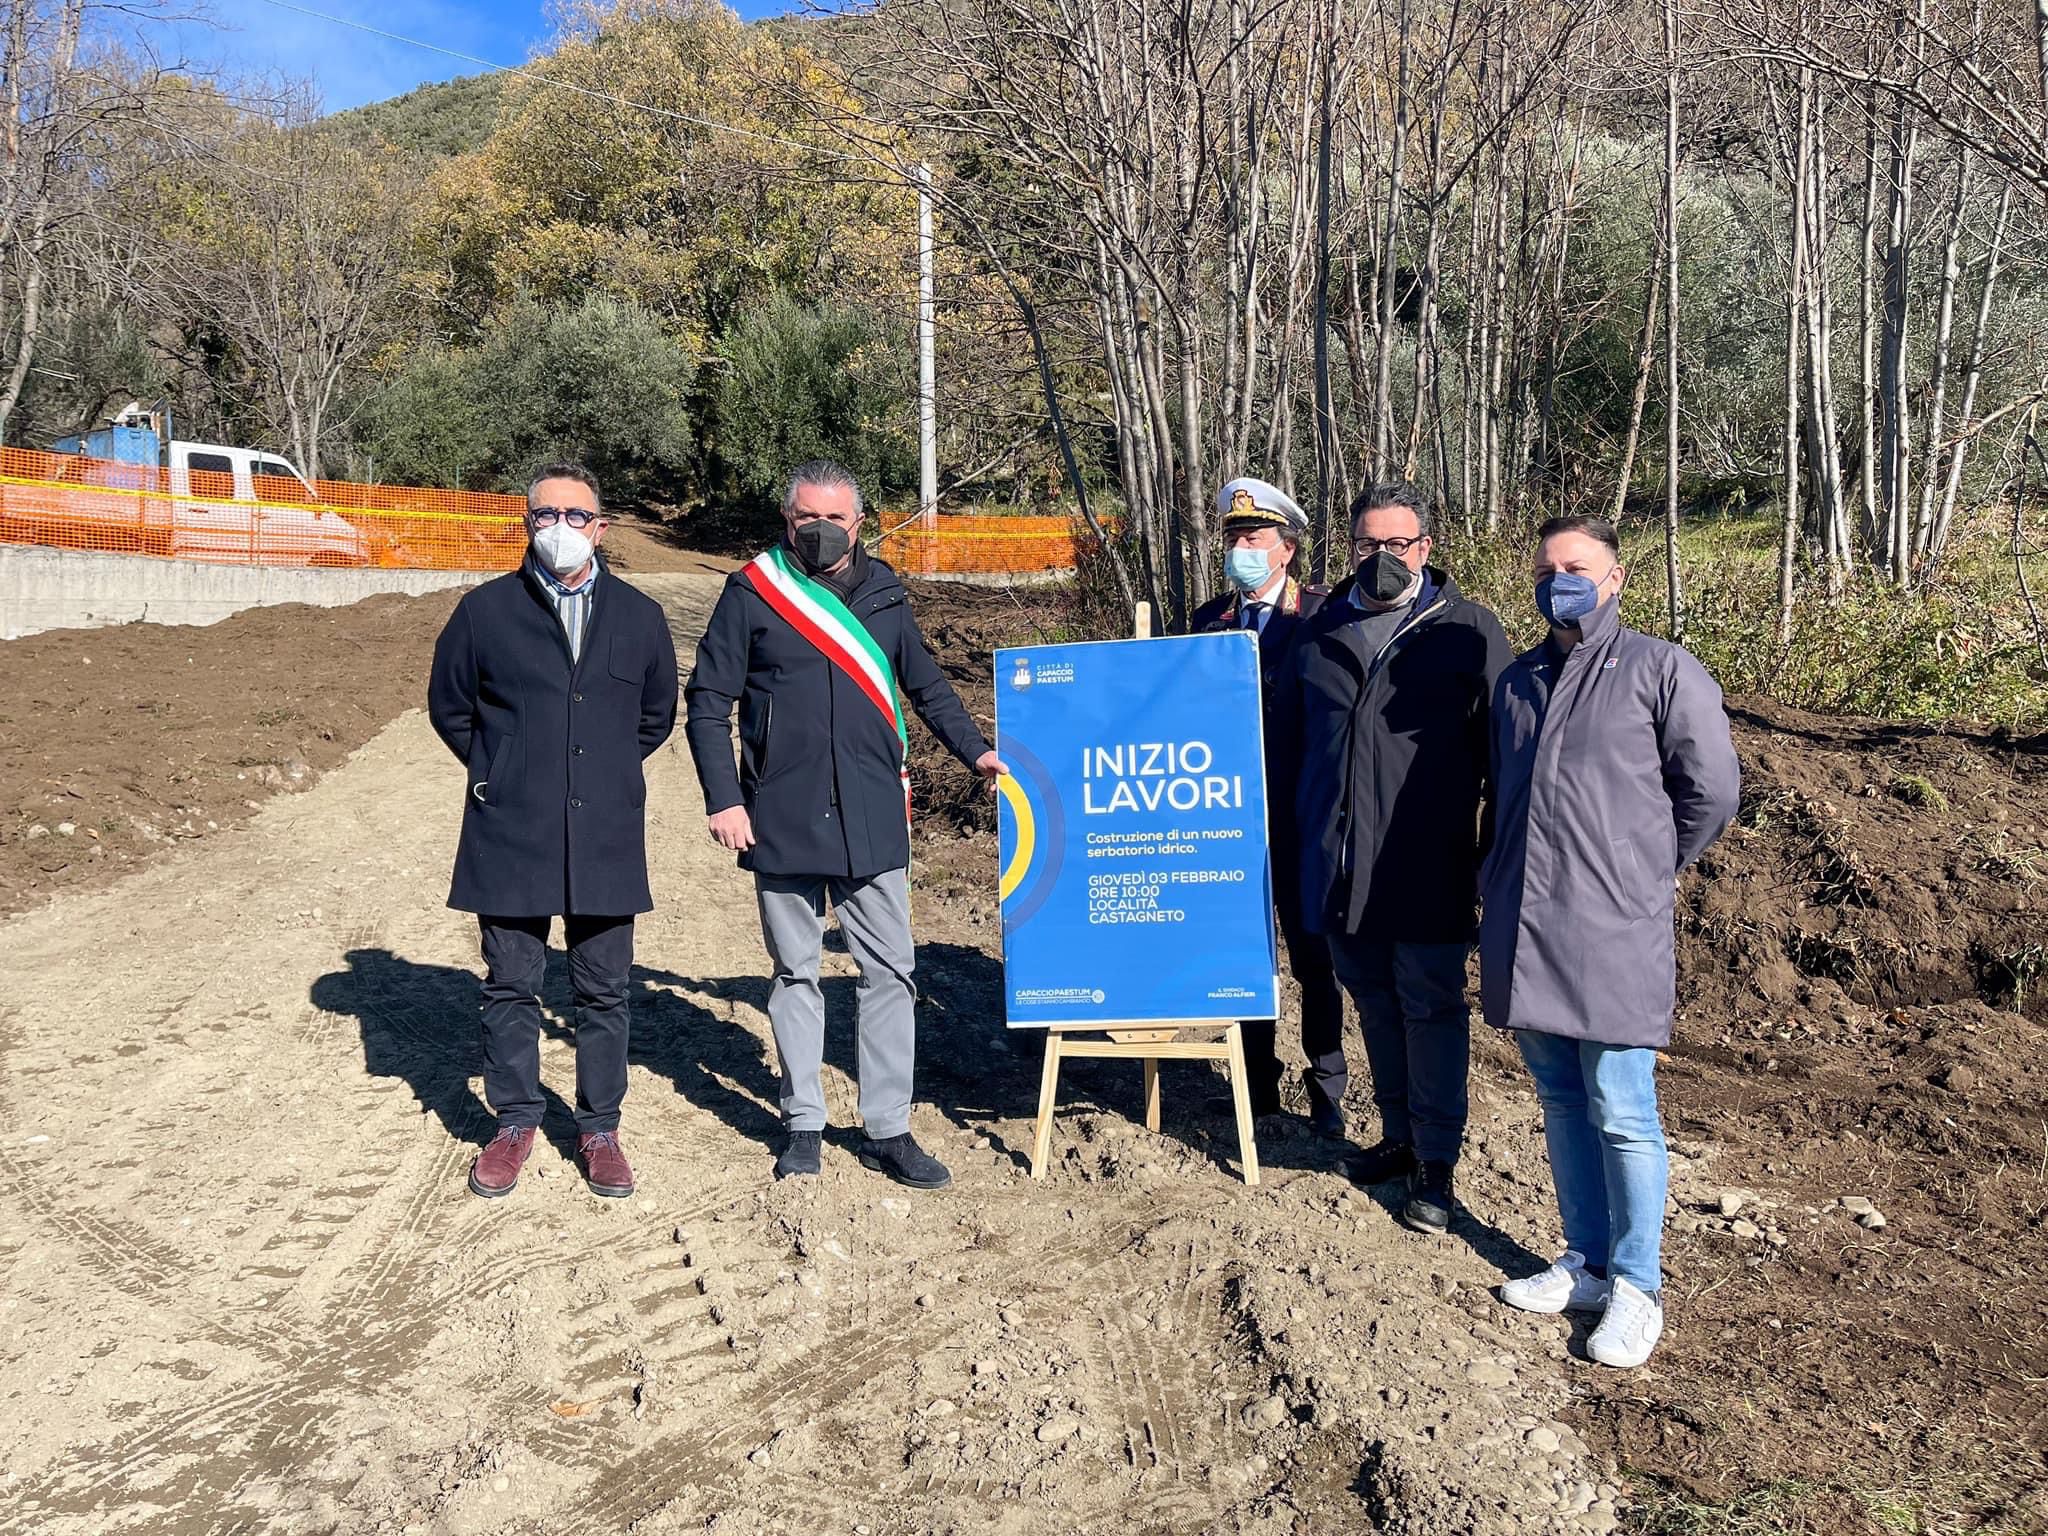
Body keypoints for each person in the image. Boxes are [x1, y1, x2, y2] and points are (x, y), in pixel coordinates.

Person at [684, 460, 1006, 1190]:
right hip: (781, 813)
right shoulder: (752, 591)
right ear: (787, 520)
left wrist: (974, 750)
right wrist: (724, 798)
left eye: (834, 518)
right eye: (806, 519)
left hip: (871, 812)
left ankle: (888, 1126)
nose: (820, 531)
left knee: (889, 973)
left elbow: (924, 683)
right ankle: (803, 1121)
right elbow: (707, 700)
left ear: (860, 523)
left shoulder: (887, 592)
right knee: (796, 972)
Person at [1481, 514, 1739, 1369]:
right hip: (1529, 924)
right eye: (1549, 567)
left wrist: (1644, 869)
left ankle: (1637, 1284)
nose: (1563, 579)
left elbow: (1712, 792)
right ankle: (1585, 1262)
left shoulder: (1661, 671)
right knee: (1558, 1100)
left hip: (1615, 927)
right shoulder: (1517, 682)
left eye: (1579, 566)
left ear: (1616, 577)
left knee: (1623, 1108)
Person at [427, 461, 679, 1201]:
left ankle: (599, 1127)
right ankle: (514, 1121)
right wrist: (501, 768)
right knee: (510, 984)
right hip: (511, 827)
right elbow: (452, 706)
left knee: (604, 990)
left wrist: (599, 771)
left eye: (576, 516)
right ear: (526, 524)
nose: (561, 528)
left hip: (604, 830)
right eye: (546, 515)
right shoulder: (484, 612)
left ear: (601, 528)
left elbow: (655, 716)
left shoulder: (640, 618)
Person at [1275, 479, 1510, 1235]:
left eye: (1398, 544)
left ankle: (1437, 1163)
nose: (1383, 557)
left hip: (1426, 865)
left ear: (1426, 549)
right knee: (1372, 1003)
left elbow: (1504, 759)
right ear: (1349, 548)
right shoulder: (1316, 634)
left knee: (1432, 1010)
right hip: (1338, 869)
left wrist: (1488, 856)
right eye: (1369, 544)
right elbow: (1287, 752)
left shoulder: (1467, 632)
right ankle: (1400, 1138)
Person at [1189, 477, 1342, 1133]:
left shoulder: (1323, 618)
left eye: (1253, 538)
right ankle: (1257, 1092)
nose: (1241, 550)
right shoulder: (1205, 623)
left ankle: (1327, 1093)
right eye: (1232, 539)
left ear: (1287, 550)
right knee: (1246, 961)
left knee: (1316, 961)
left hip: (1305, 822)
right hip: (1232, 825)